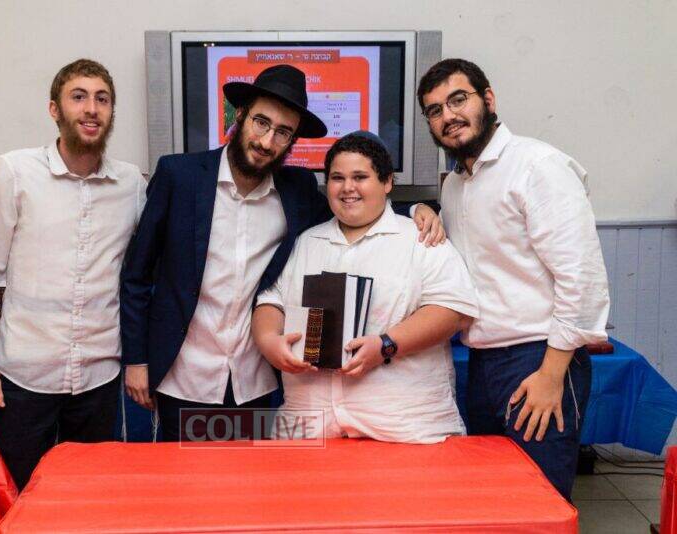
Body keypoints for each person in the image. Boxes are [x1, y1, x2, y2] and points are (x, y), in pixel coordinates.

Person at [121, 64, 444, 442]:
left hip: (253, 378)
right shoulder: (179, 175)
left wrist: (416, 209)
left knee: (247, 475)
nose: (267, 141)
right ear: (240, 117)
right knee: (185, 474)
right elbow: (136, 275)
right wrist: (137, 359)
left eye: (283, 132)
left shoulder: (297, 189)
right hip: (184, 373)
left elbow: (352, 209)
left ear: (292, 140)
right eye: (261, 122)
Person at [417, 58, 610, 499]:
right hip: (482, 363)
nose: (448, 116)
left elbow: (582, 278)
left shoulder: (537, 165)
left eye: (458, 100)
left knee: (539, 500)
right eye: (435, 110)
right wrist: (423, 209)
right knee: (491, 498)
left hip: (539, 359)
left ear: (488, 99)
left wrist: (551, 375)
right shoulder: (455, 185)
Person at [0, 59, 145, 489]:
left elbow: (143, 275)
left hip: (98, 379)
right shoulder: (14, 172)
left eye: (102, 99)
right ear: (55, 109)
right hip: (24, 377)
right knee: (14, 497)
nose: (91, 108)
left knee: (88, 500)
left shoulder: (131, 184)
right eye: (79, 97)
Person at [251, 132, 478, 441]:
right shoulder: (305, 241)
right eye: (337, 178)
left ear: (387, 182)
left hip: (404, 427)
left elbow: (452, 311)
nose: (348, 188)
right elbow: (271, 301)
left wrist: (386, 345)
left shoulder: (422, 238)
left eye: (360, 177)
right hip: (309, 426)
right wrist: (269, 341)